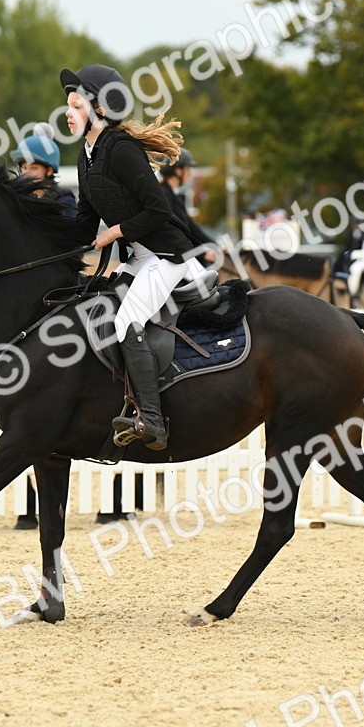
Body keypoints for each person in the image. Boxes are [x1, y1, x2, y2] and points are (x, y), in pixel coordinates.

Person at [61, 63, 207, 451]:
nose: (68, 112)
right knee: (103, 308)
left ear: (101, 109)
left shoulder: (121, 150)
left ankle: (153, 421)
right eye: (68, 105)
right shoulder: (86, 157)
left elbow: (159, 210)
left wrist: (116, 232)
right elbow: (82, 224)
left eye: (76, 105)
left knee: (126, 321)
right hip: (141, 256)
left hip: (168, 256)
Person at [159, 148, 217, 263]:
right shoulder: (163, 195)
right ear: (178, 171)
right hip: (171, 255)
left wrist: (215, 246)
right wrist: (202, 254)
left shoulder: (177, 195)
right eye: (187, 169)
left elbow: (191, 227)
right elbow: (177, 231)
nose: (190, 173)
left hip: (182, 251)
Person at [11, 123, 77, 216]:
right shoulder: (18, 200)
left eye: (34, 168)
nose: (26, 172)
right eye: (24, 167)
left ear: (49, 171)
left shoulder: (64, 201)